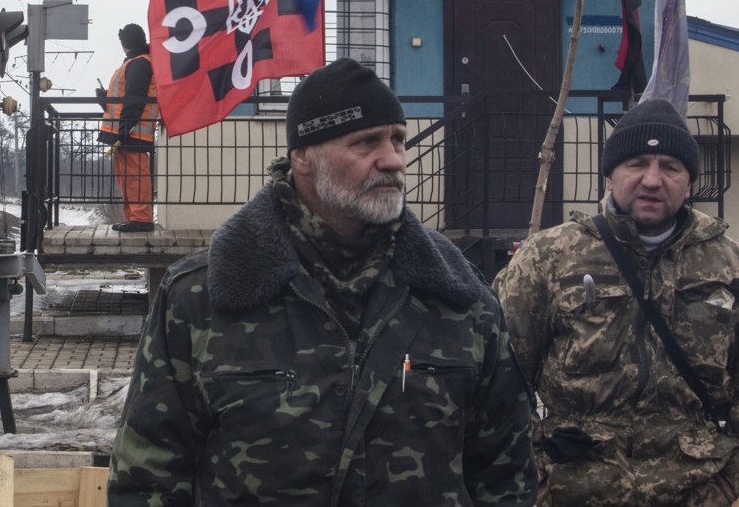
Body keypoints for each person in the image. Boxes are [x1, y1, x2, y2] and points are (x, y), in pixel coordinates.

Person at [108, 58, 537, 505]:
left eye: (398, 139)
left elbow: (507, 479)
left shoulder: (460, 299)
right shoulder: (199, 298)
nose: (393, 160)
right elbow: (148, 478)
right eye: (366, 142)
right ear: (303, 157)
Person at [494, 99, 739, 506]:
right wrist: (532, 472)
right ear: (609, 176)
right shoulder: (548, 258)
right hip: (575, 489)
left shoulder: (728, 265)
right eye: (637, 163)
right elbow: (500, 375)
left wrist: (730, 480)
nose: (652, 180)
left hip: (696, 490)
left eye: (670, 167)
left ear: (689, 183)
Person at [96, 23, 157, 232]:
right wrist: (105, 100)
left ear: (125, 43)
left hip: (131, 132)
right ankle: (134, 217)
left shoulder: (139, 64)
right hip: (126, 130)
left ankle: (141, 219)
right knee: (128, 177)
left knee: (135, 177)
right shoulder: (136, 62)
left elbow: (134, 99)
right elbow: (127, 99)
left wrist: (124, 129)